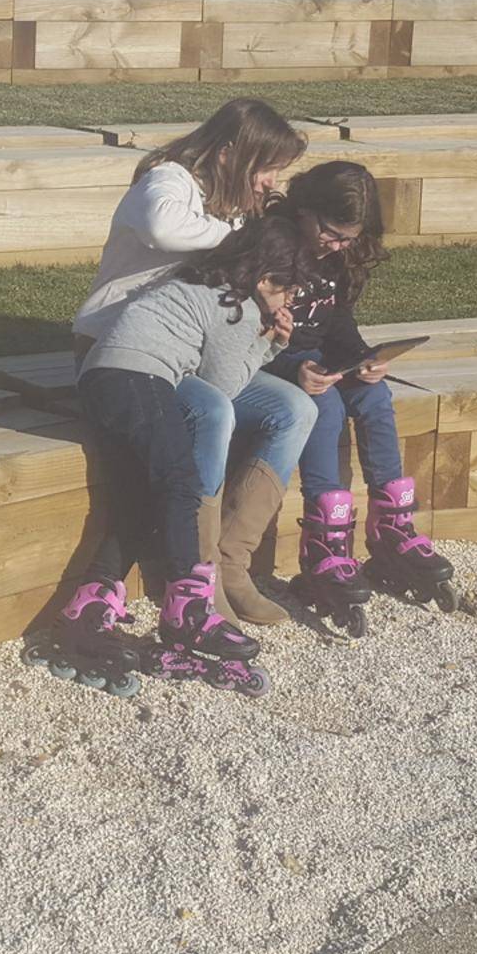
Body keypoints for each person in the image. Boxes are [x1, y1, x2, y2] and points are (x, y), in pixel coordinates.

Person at [71, 98, 319, 627]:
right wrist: (246, 243)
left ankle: (230, 563)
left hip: (190, 356)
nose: (272, 183)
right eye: (268, 168)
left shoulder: (235, 206)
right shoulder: (168, 180)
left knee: (295, 409)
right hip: (119, 349)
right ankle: (194, 574)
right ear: (230, 153)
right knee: (213, 410)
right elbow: (161, 228)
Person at [57, 214, 327, 697]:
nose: (290, 301)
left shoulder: (204, 284)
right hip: (137, 377)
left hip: (106, 377)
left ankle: (90, 603)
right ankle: (188, 609)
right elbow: (223, 387)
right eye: (289, 290)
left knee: (137, 499)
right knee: (179, 479)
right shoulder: (236, 307)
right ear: (264, 279)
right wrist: (269, 344)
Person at [263, 162, 455, 631]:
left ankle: (393, 526)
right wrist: (292, 369)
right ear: (305, 210)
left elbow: (336, 320)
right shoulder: (274, 245)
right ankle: (324, 542)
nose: (338, 246)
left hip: (321, 358)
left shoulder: (337, 255)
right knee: (325, 408)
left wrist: (363, 358)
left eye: (348, 239)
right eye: (331, 234)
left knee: (375, 397)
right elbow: (248, 336)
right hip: (275, 360)